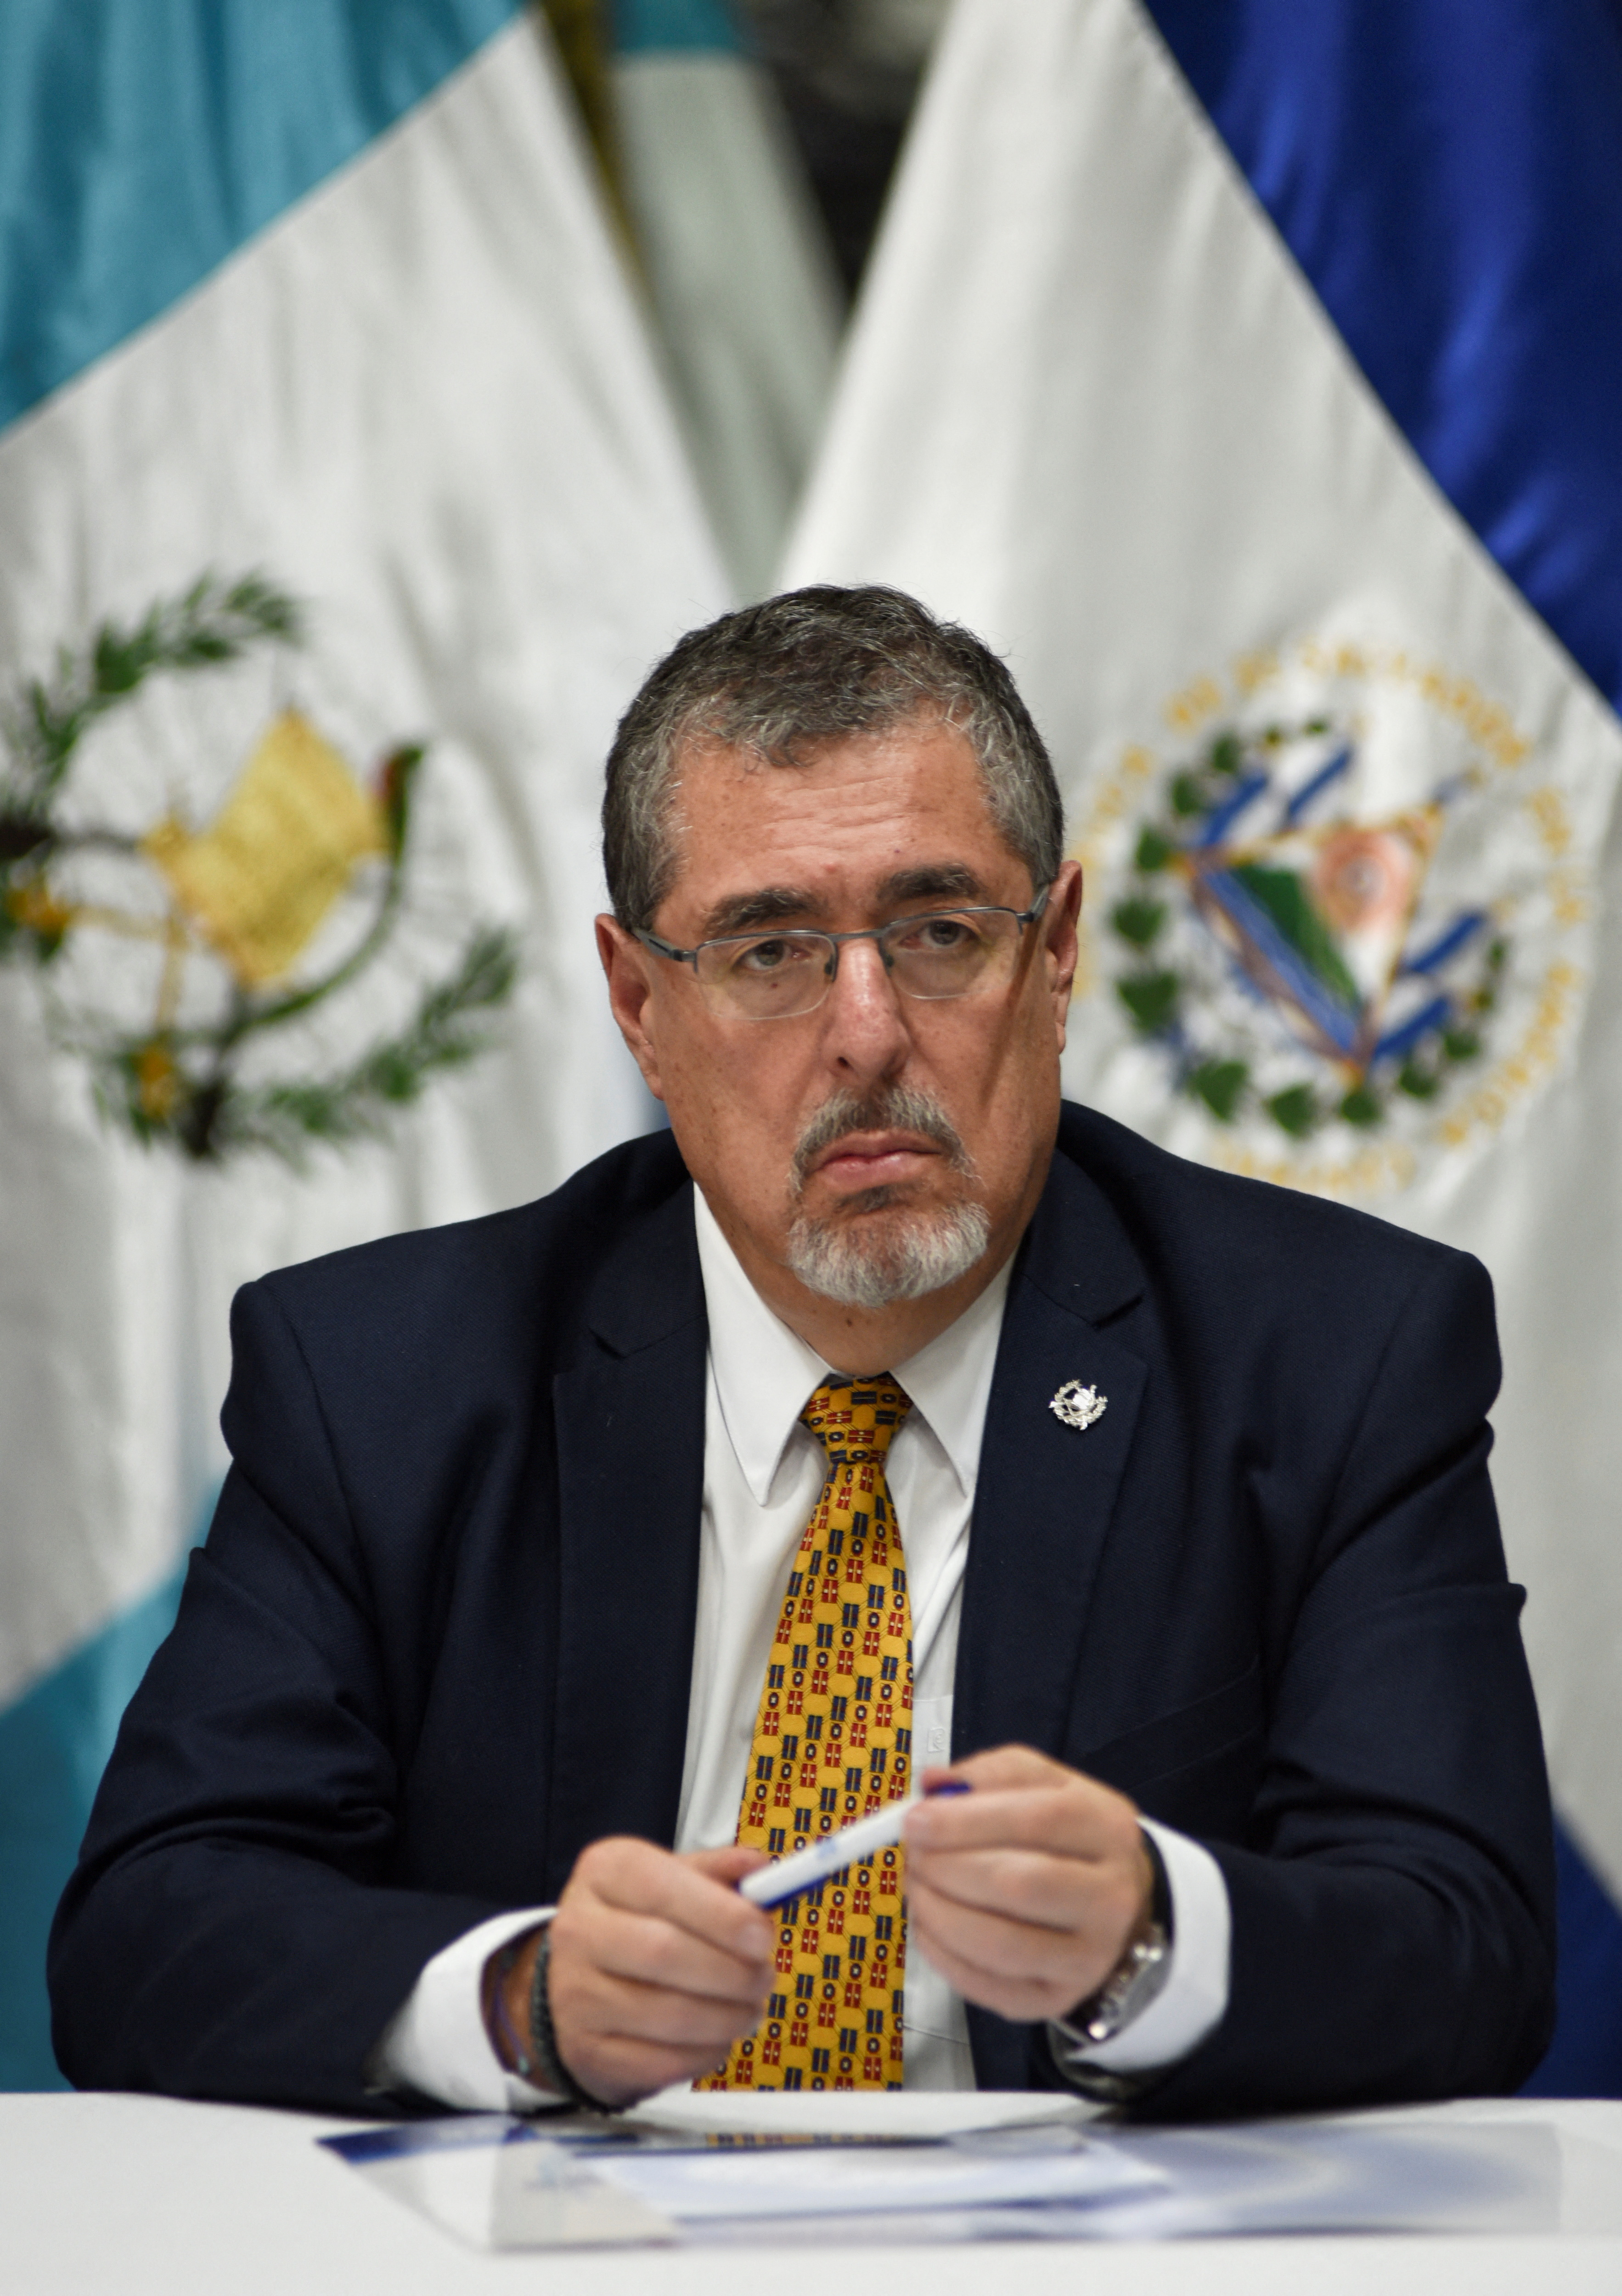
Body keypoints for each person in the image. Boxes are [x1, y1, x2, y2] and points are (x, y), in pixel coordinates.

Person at [49, 587, 1554, 2118]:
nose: (866, 1031)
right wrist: (523, 2003)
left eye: (942, 932)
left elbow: (1466, 1946)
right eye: (769, 950)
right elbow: (146, 1937)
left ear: (1058, 957)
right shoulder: (382, 1382)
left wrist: (1149, 1937)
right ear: (642, 1002)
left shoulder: (1336, 1356)